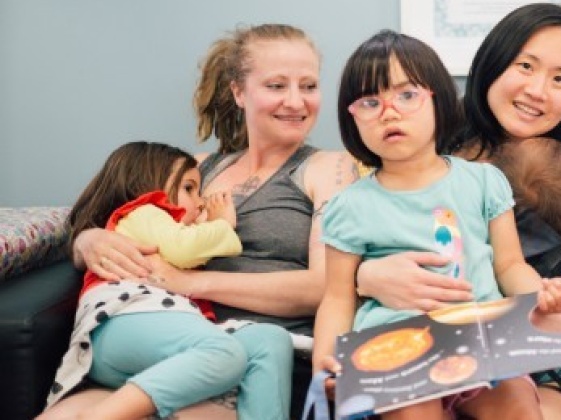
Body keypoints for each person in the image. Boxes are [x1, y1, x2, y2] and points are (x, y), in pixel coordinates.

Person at [43, 23, 357, 419]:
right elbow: (118, 213)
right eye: (277, 85)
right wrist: (88, 241)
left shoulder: (329, 168)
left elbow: (326, 286)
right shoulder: (197, 169)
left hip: (261, 363)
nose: (296, 101)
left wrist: (189, 282)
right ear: (238, 92)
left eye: (309, 86)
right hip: (162, 346)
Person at [355, 4, 561, 420]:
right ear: (493, 62)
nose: (537, 90)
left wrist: (550, 303)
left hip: (543, 358)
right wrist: (367, 276)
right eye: (525, 66)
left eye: (560, 79)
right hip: (430, 344)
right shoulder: (418, 151)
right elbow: (352, 245)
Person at [312, 29, 561, 420]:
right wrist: (325, 364)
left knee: (519, 405)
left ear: (440, 101)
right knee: (413, 410)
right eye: (370, 102)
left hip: (483, 341)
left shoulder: (483, 182)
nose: (389, 112)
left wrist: (543, 293)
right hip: (399, 351)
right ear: (352, 118)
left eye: (407, 95)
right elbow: (337, 298)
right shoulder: (348, 206)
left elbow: (509, 266)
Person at [43, 141, 292, 420]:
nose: (200, 201)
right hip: (123, 322)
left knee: (270, 339)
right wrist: (222, 224)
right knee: (223, 352)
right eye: (189, 189)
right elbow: (183, 249)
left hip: (161, 340)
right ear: (147, 184)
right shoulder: (144, 212)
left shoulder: (162, 226)